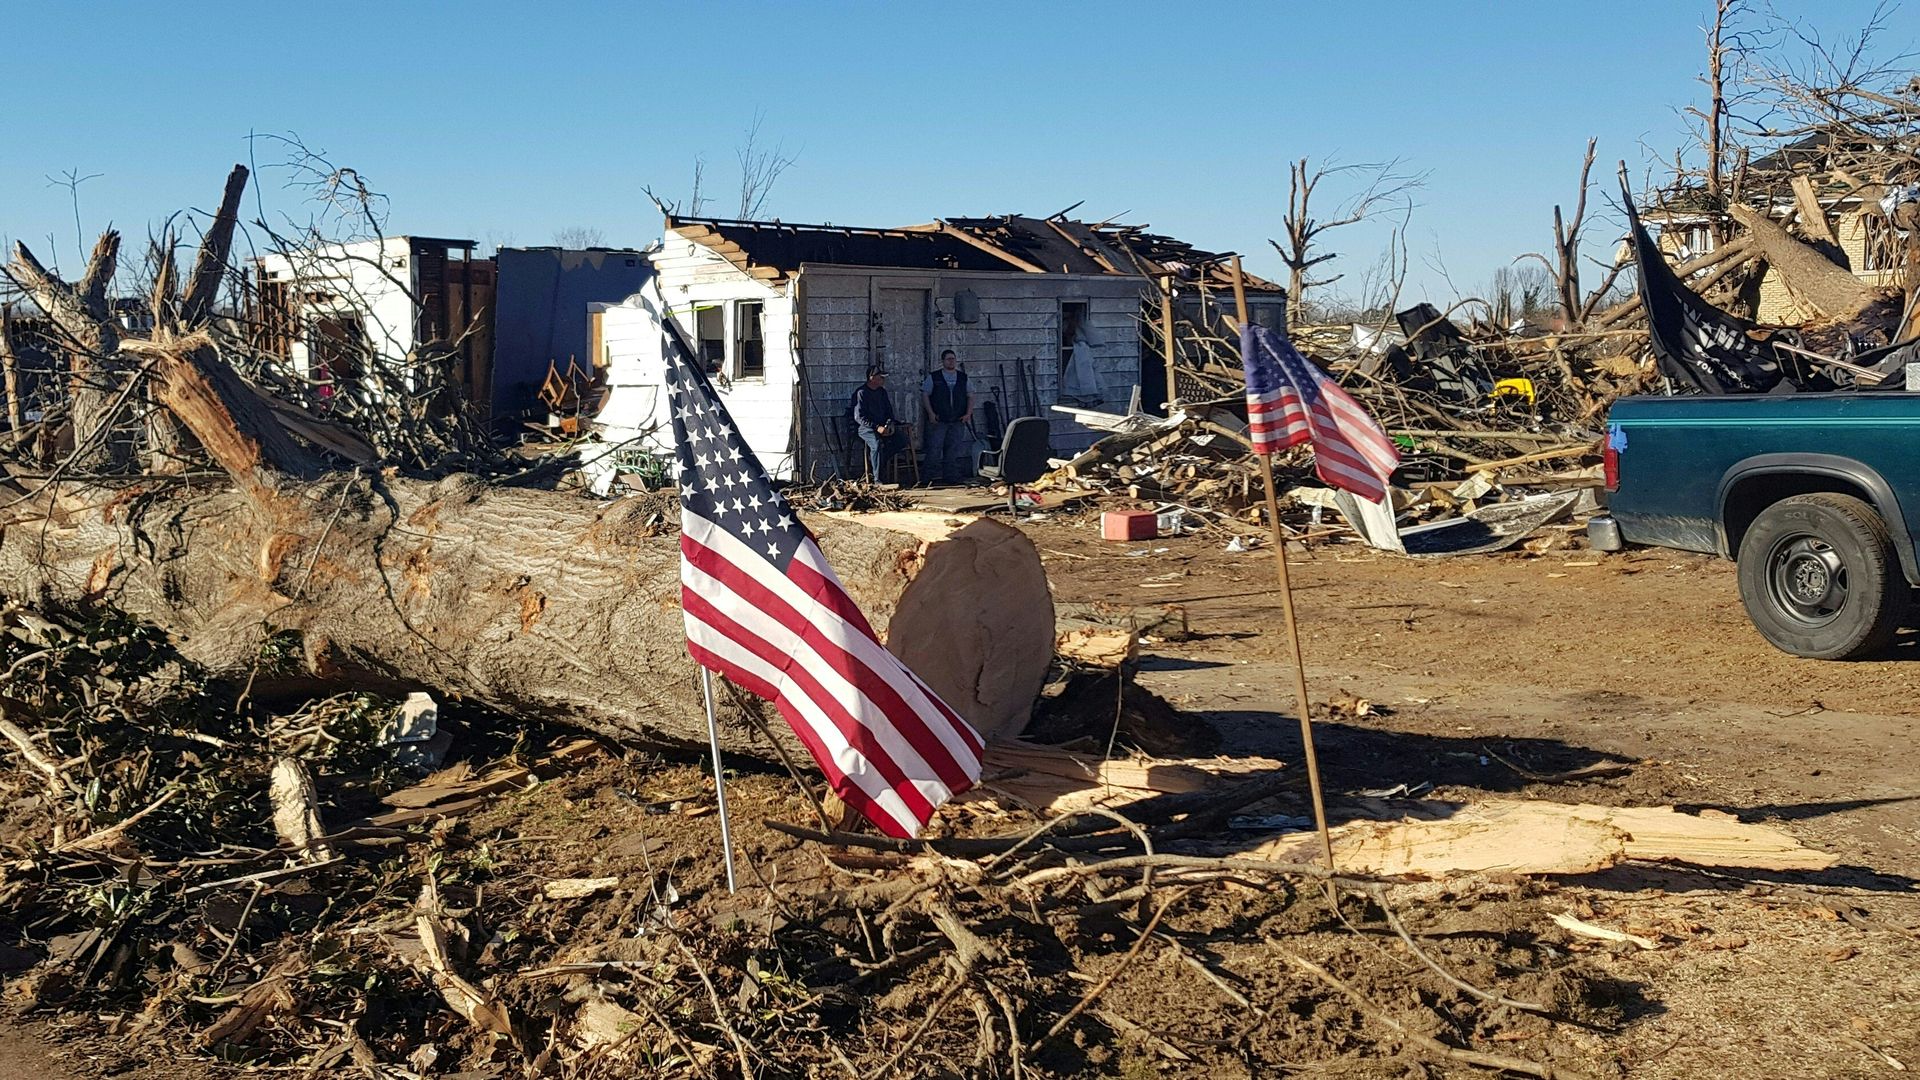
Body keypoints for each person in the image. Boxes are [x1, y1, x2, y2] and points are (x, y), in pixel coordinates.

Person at [920, 349, 974, 484]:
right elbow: (925, 395)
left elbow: (970, 396)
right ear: (942, 361)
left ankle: (950, 477)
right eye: (949, 359)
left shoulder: (963, 377)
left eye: (953, 359)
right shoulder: (934, 377)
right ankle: (926, 479)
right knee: (934, 449)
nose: (951, 361)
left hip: (958, 419)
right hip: (939, 420)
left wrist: (968, 413)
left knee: (953, 450)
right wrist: (931, 413)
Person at [851, 367, 906, 480]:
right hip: (865, 428)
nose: (883, 380)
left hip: (882, 426)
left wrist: (889, 424)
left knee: (902, 440)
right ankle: (878, 479)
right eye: (880, 377)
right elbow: (859, 417)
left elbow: (889, 411)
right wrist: (876, 427)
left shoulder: (882, 392)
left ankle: (878, 460)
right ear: (872, 378)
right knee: (876, 445)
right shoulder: (861, 393)